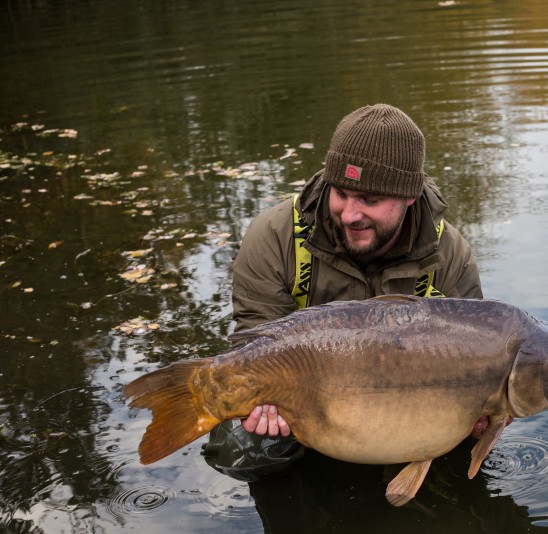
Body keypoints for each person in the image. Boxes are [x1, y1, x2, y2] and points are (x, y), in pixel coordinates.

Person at [201, 103, 486, 481]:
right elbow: (255, 343)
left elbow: (476, 357)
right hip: (307, 402)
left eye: (370, 199)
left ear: (409, 197)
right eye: (341, 192)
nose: (351, 214)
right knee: (238, 450)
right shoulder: (273, 236)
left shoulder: (450, 255)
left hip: (409, 403)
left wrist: (482, 411)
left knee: (466, 433)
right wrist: (263, 403)